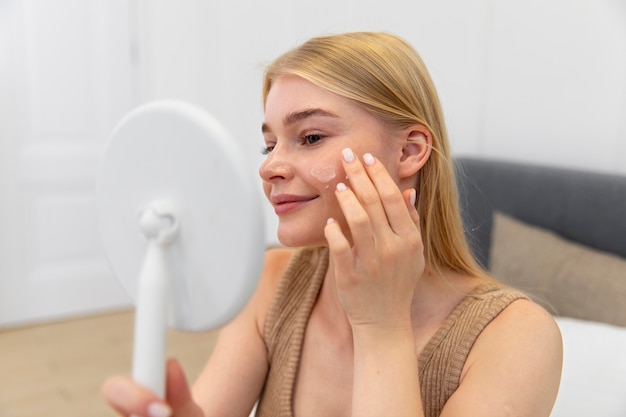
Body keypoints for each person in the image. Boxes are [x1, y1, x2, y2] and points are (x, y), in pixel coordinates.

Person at [102, 31, 562, 417]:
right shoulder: (272, 284)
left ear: (409, 152)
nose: (269, 167)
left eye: (311, 137)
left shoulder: (518, 337)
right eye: (269, 145)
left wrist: (381, 324)